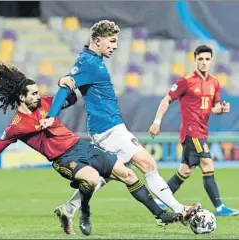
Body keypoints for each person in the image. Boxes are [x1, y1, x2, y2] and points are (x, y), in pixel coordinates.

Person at [0, 62, 184, 237]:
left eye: (38, 92)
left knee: (128, 174)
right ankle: (85, 213)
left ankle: (160, 214)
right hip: (63, 159)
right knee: (92, 179)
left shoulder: (46, 104)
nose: (38, 96)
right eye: (34, 94)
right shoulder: (16, 127)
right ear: (21, 97)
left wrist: (64, 84)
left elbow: (71, 98)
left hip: (82, 146)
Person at [39, 20, 201, 234]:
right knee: (148, 164)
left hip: (108, 128)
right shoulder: (88, 63)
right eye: (112, 41)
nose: (115, 46)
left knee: (106, 176)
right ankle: (178, 210)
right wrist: (52, 116)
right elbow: (65, 85)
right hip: (109, 129)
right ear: (97, 40)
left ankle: (69, 208)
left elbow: (68, 79)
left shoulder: (91, 60)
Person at [149, 45, 239, 217]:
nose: (204, 62)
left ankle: (161, 199)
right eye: (201, 59)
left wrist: (222, 109)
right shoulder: (186, 81)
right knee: (208, 164)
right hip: (192, 131)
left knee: (185, 170)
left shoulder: (214, 82)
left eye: (207, 59)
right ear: (195, 59)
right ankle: (220, 207)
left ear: (211, 61)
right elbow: (167, 99)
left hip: (203, 131)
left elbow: (214, 108)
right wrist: (157, 122)